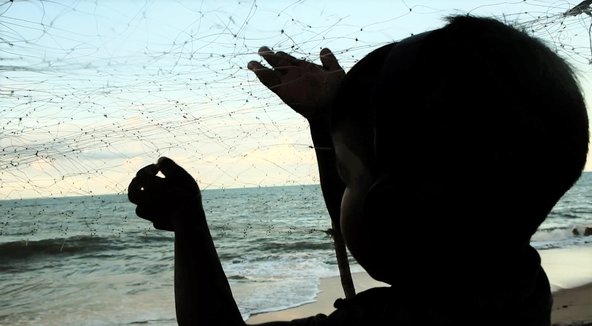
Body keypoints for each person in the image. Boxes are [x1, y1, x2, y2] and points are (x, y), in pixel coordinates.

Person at [127, 15, 589, 325]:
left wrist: (189, 222)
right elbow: (380, 216)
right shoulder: (516, 280)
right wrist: (327, 123)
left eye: (345, 178)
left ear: (393, 214)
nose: (341, 192)